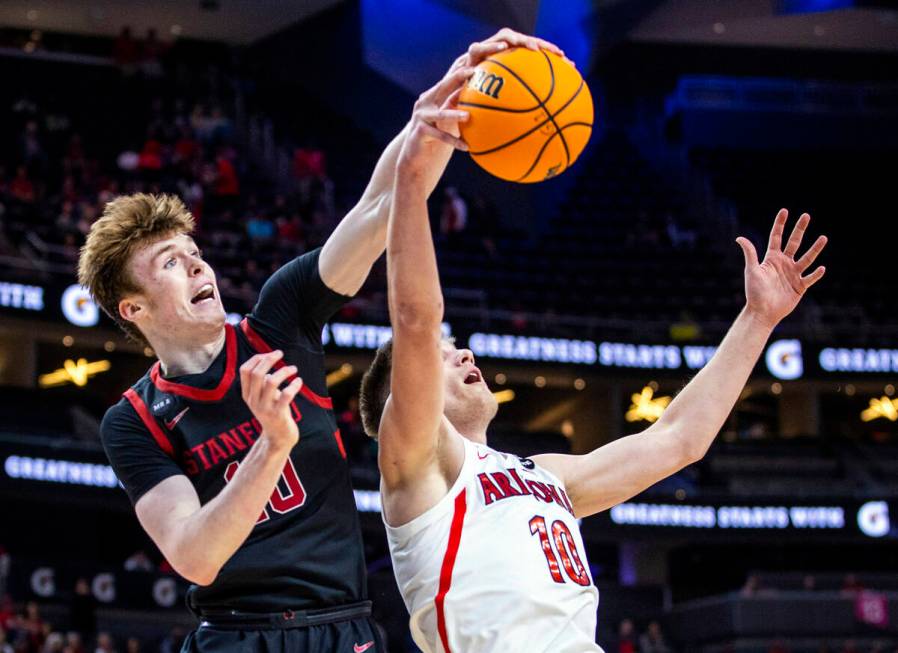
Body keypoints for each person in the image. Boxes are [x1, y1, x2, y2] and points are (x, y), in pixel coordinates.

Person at [77, 27, 557, 653]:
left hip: (344, 626)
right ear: (132, 307)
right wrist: (272, 445)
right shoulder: (133, 421)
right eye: (170, 262)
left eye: (194, 253)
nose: (198, 267)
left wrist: (444, 110)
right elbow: (194, 555)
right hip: (237, 635)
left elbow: (378, 206)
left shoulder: (280, 317)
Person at [358, 84, 828, 648]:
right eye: (441, 352)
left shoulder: (544, 475)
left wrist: (757, 318)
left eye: (455, 344)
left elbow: (679, 440)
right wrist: (413, 177)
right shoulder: (416, 467)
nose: (462, 352)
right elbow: (415, 317)